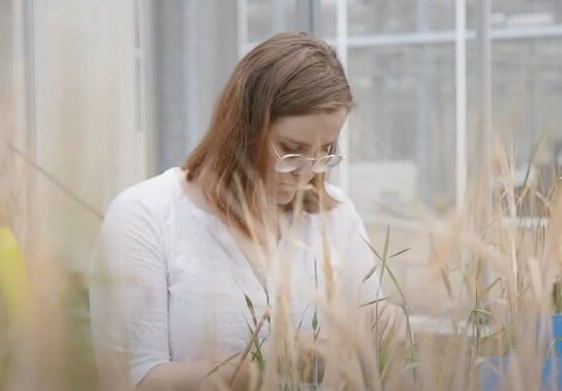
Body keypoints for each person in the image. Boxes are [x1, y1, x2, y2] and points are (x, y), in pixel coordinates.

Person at [89, 32, 389, 391]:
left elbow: (372, 327)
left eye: (325, 151)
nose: (308, 172)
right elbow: (130, 378)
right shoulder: (144, 216)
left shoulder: (334, 216)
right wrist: (266, 367)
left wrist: (387, 325)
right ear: (243, 129)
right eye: (291, 149)